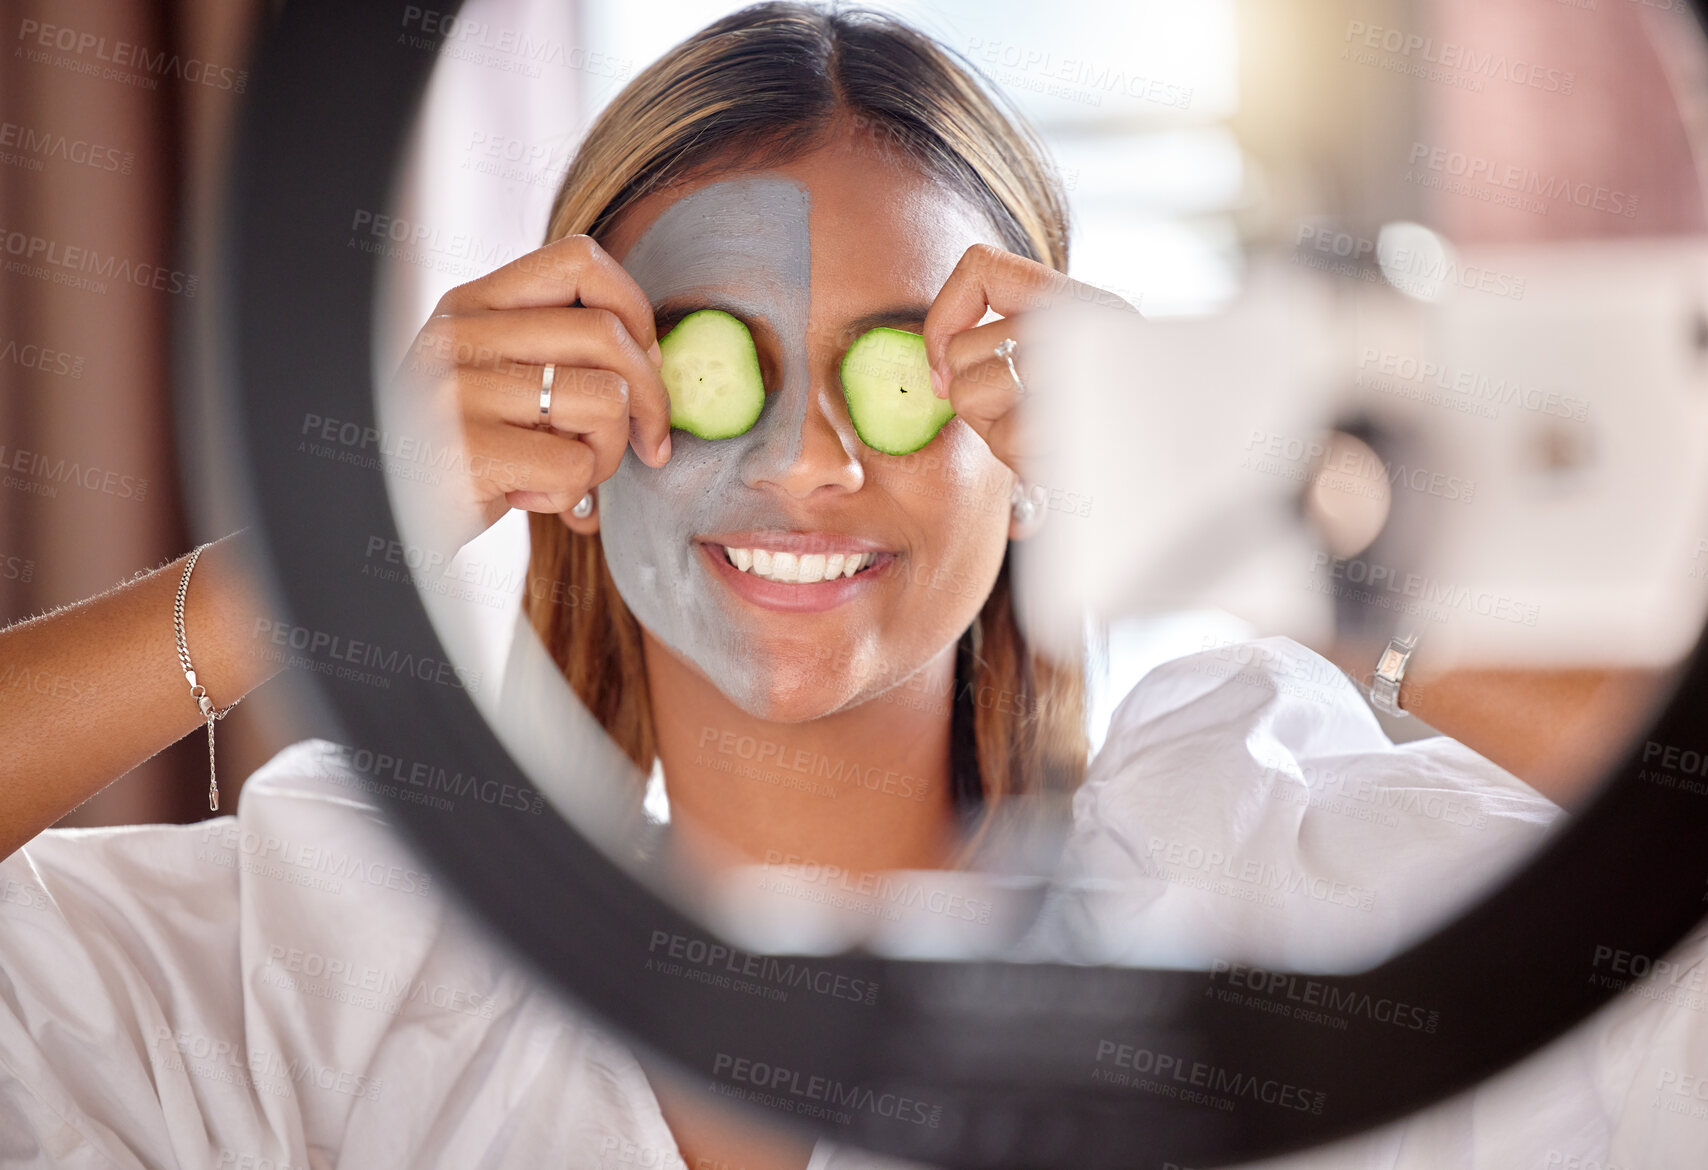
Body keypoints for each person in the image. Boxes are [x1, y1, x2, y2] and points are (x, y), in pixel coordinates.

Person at [0, 3, 1699, 1168]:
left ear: (1035, 470)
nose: (811, 462)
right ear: (569, 454)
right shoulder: (339, 947)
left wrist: (1259, 508)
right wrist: (316, 553)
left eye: (899, 372)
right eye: (709, 364)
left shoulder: (1262, 865)